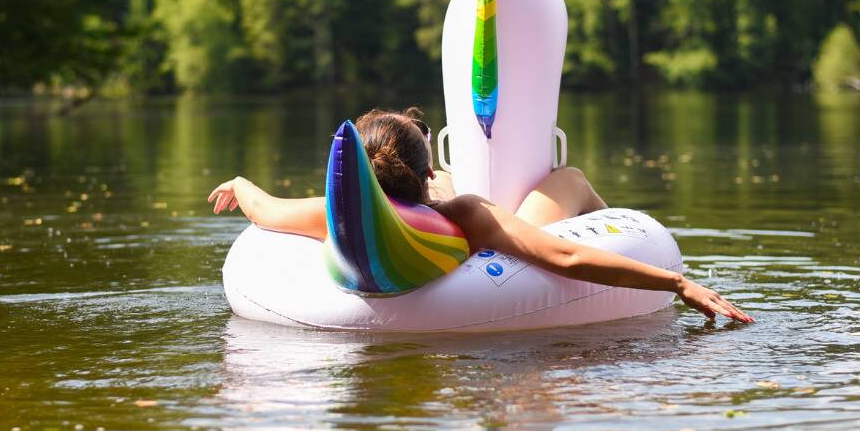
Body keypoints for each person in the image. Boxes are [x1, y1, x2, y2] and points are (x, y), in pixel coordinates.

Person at [208, 108, 753, 324]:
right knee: (572, 180)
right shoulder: (469, 215)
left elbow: (267, 210)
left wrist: (238, 182)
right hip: (486, 245)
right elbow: (564, 254)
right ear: (421, 178)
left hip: (429, 208)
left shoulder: (334, 217)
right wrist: (676, 282)